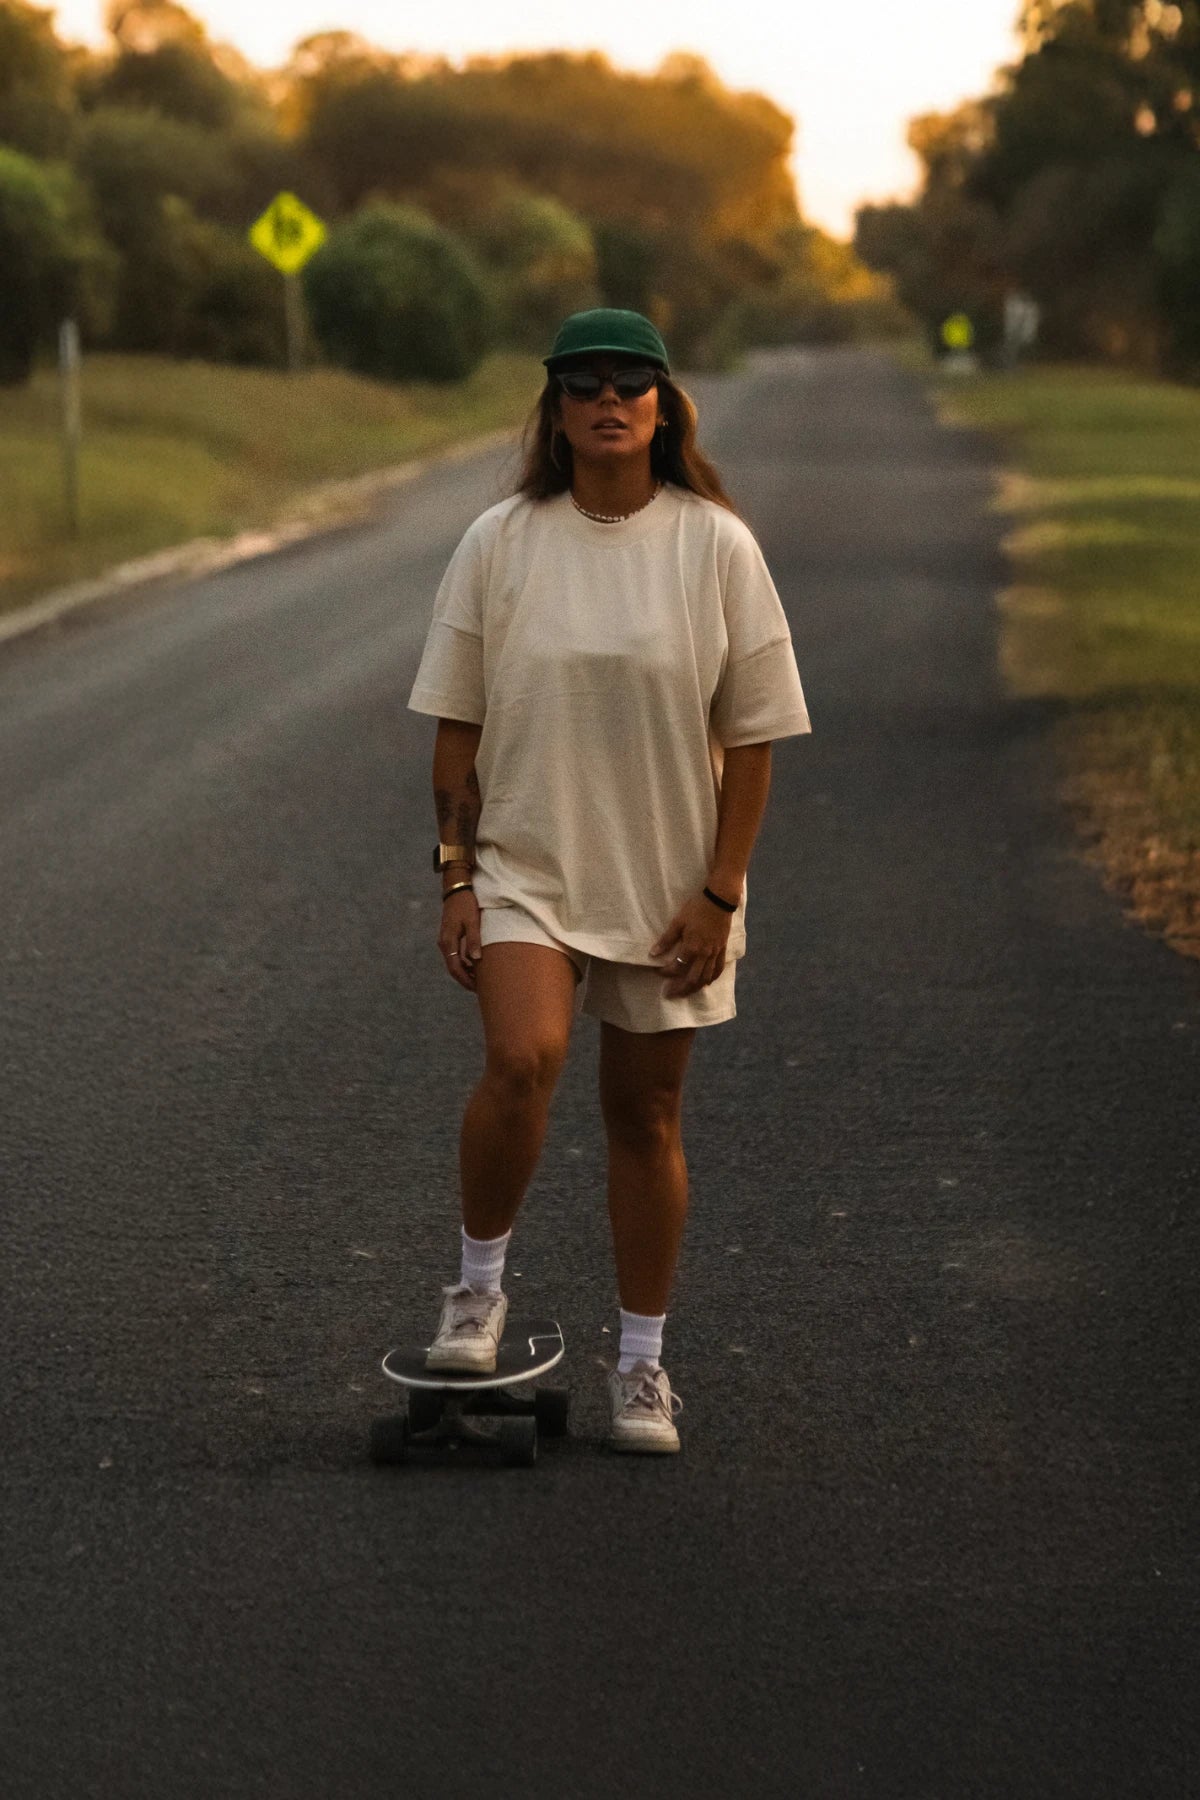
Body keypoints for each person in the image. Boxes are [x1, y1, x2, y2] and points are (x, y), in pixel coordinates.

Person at [406, 307, 811, 1453]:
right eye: (583, 382)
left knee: (646, 1115)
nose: (608, 399)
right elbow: (456, 726)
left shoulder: (715, 546)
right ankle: (476, 1295)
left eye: (631, 381)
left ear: (664, 404)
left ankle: (643, 1365)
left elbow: (757, 736)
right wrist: (456, 879)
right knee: (520, 1057)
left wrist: (721, 892)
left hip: (671, 884)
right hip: (526, 865)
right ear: (556, 408)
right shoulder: (500, 540)